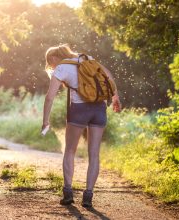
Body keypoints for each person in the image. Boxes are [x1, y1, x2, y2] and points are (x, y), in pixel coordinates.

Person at [42, 44, 121, 208]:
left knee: (70, 150)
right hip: (99, 108)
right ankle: (88, 196)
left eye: (50, 63)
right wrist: (115, 98)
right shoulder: (87, 58)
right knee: (94, 154)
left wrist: (45, 121)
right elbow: (109, 76)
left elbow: (49, 97)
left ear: (54, 58)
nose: (51, 67)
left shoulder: (62, 68)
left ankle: (68, 193)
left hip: (79, 110)